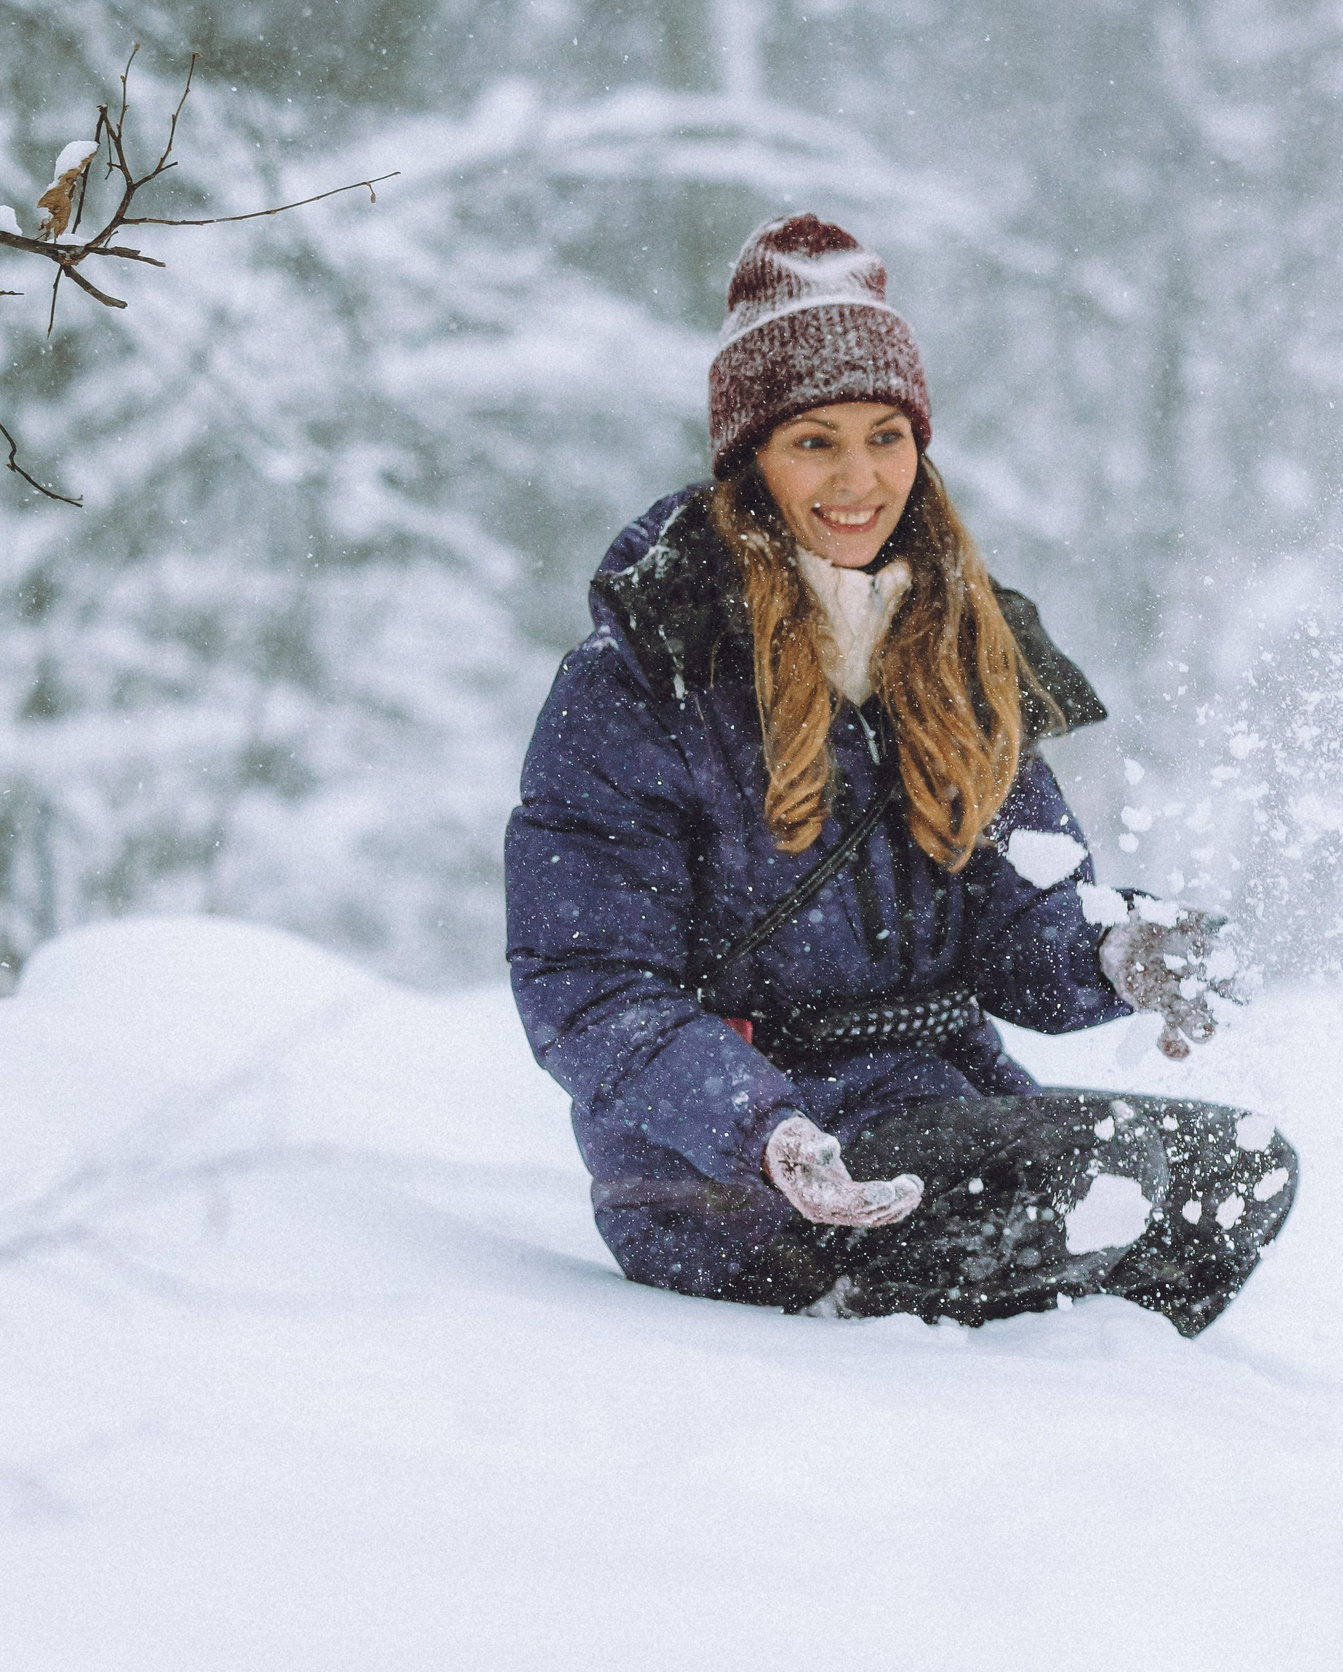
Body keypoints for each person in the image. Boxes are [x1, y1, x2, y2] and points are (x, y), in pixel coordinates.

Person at [504, 213, 1295, 1334]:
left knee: (1238, 1172)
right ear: (750, 463)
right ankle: (967, 1384)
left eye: (885, 436)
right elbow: (584, 984)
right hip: (722, 1175)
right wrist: (757, 1125)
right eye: (814, 441)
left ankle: (1093, 1388)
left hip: (940, 1111)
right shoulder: (642, 676)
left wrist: (1121, 950)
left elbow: (1022, 931)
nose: (857, 478)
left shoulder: (960, 649)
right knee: (1064, 1185)